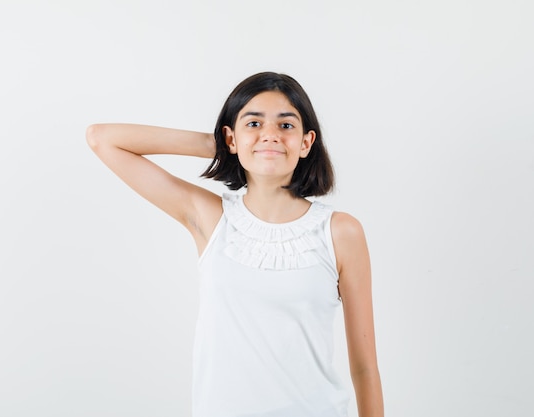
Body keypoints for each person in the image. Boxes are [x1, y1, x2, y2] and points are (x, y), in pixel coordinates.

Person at [86, 72, 384, 417]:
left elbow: (364, 368)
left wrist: (250, 140)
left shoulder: (341, 232)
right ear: (231, 136)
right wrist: (222, 146)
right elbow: (102, 139)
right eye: (253, 122)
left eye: (286, 126)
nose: (270, 134)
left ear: (307, 142)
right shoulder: (211, 218)